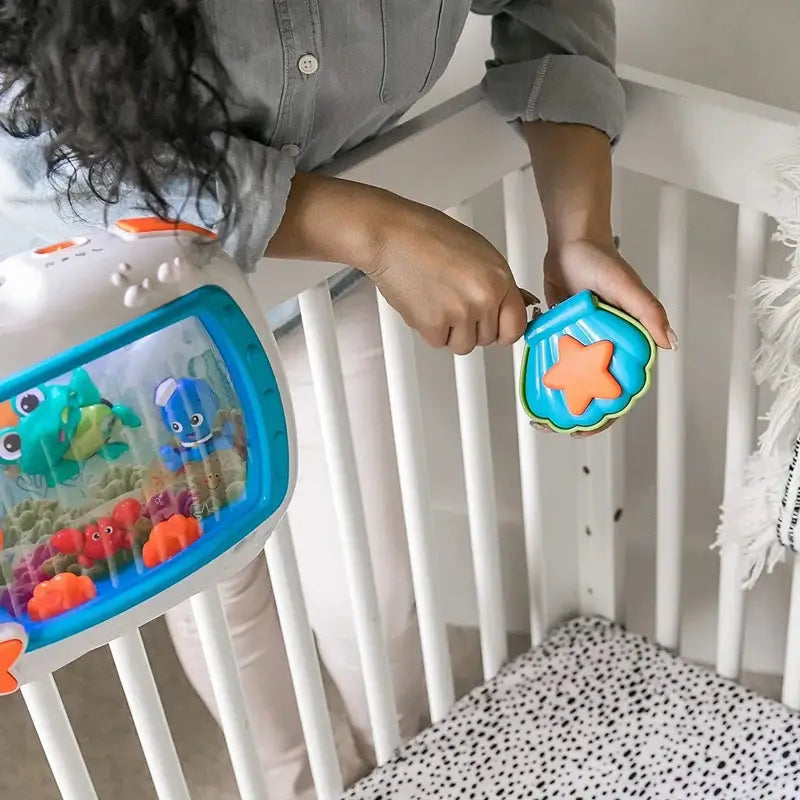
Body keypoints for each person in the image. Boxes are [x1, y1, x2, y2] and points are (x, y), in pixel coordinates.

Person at [0, 1, 676, 796]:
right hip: (121, 306)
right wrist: (371, 227)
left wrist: (581, 225)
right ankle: (298, 783)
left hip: (320, 287)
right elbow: (39, 157)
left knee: (374, 588)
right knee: (218, 589)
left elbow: (551, 11)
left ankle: (420, 767)